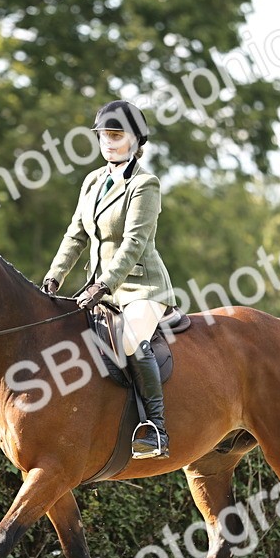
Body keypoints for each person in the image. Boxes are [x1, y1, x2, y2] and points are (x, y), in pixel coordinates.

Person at [41, 100, 177, 459]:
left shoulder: (146, 185)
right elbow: (75, 235)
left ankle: (156, 430)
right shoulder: (92, 181)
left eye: (116, 136)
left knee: (131, 340)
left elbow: (134, 243)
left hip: (139, 286)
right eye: (104, 135)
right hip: (99, 288)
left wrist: (104, 284)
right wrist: (54, 278)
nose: (108, 142)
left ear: (135, 140)